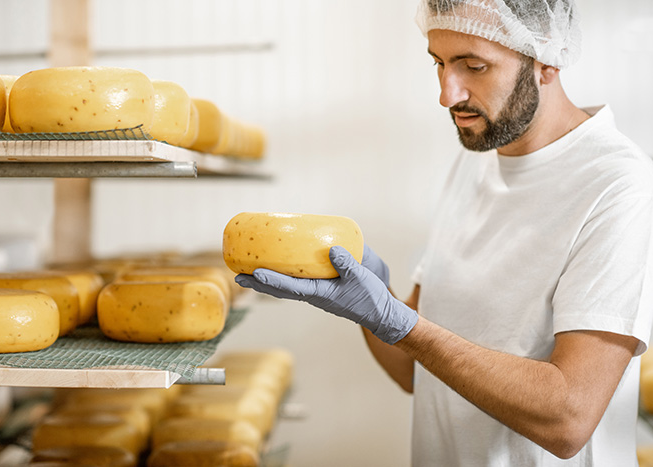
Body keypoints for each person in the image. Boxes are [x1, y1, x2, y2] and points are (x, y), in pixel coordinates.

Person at [236, 0, 653, 465]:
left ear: (547, 61)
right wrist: (371, 307)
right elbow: (416, 372)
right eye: (439, 63)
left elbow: (568, 419)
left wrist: (400, 322)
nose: (447, 94)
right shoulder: (476, 160)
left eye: (474, 66)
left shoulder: (616, 185)